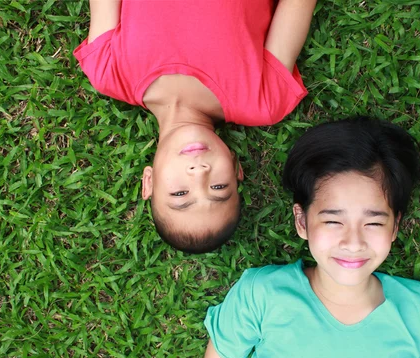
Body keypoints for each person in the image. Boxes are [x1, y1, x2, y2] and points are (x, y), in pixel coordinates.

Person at [193, 117, 420, 358]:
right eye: (333, 221)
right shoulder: (260, 294)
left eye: (373, 222)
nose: (353, 242)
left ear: (395, 227)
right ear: (302, 221)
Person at [73, 0, 316, 253]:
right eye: (219, 187)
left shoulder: (107, 72)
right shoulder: (262, 100)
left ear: (149, 182)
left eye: (180, 194)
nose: (199, 171)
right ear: (236, 169)